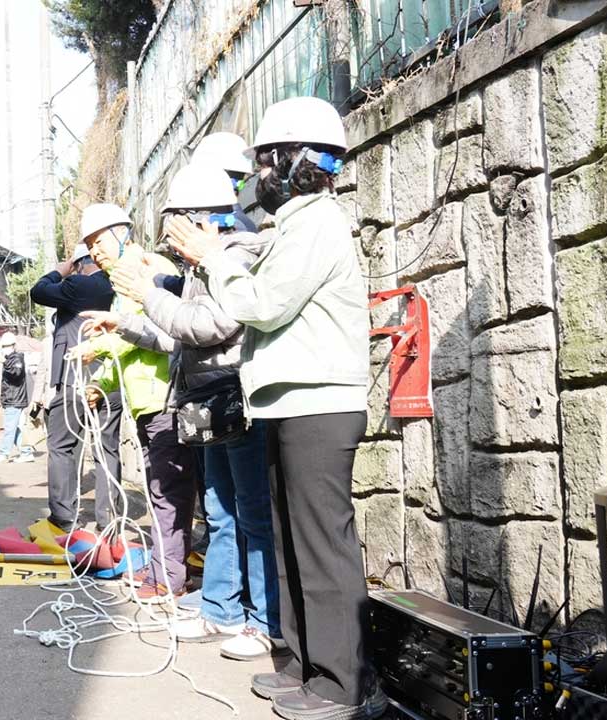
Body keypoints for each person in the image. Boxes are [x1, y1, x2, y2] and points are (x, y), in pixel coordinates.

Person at [166, 96, 385, 719]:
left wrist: (211, 259)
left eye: (264, 161)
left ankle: (343, 684)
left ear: (294, 161)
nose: (255, 176)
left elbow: (263, 304)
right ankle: (303, 665)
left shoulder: (318, 221)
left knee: (321, 544)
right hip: (288, 402)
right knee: (290, 541)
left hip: (319, 406)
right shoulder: (293, 224)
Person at [92, 160, 282, 660]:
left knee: (252, 513)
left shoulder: (236, 255)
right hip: (206, 400)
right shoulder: (201, 268)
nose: (169, 240)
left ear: (206, 219)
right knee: (220, 510)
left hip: (235, 395)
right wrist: (125, 324)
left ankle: (267, 621)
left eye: (176, 223)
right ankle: (222, 610)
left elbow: (209, 326)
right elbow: (177, 335)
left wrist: (147, 295)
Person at [71, 203, 193, 602]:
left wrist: (99, 346)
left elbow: (153, 329)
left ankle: (168, 577)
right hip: (144, 400)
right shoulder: (121, 282)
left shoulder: (147, 268)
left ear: (123, 232)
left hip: (165, 396)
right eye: (90, 246)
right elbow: (125, 341)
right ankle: (165, 568)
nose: (95, 252)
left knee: (166, 492)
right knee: (163, 490)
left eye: (100, 241)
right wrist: (101, 383)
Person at [30, 238, 122, 530]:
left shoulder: (82, 285)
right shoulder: (117, 285)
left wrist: (59, 271)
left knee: (61, 447)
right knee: (107, 451)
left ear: (81, 264)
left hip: (76, 380)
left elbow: (39, 291)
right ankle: (109, 522)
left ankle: (64, 519)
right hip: (111, 380)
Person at [0, 334, 33, 464]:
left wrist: (4, 363)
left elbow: (16, 373)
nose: (5, 349)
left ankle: (3, 453)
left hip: (14, 399)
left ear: (13, 346)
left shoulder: (16, 359)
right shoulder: (11, 359)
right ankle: (26, 452)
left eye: (6, 346)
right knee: (15, 427)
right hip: (12, 399)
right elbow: (7, 383)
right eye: (3, 346)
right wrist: (1, 399)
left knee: (10, 428)